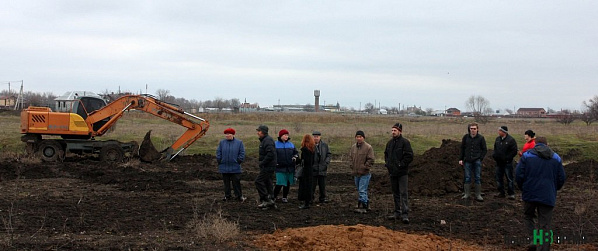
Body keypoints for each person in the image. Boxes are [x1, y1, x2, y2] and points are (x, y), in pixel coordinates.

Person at [516, 137, 566, 251]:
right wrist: (554, 189)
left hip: (530, 193)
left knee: (529, 216)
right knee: (545, 223)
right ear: (547, 145)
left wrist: (523, 188)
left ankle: (533, 240)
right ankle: (544, 248)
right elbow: (561, 177)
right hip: (548, 194)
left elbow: (518, 174)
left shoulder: (527, 156)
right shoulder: (556, 158)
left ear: (536, 144)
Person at [384, 123, 414, 223]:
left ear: (400, 131)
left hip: (402, 173)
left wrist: (401, 165)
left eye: (395, 130)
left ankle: (405, 214)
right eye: (392, 130)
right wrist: (388, 164)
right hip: (392, 172)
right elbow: (386, 155)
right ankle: (397, 212)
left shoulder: (405, 143)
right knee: (395, 193)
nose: (393, 132)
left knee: (403, 193)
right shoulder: (389, 143)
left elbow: (409, 156)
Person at [459, 122, 487, 202]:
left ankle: (478, 194)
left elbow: (484, 149)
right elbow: (462, 148)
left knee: (477, 177)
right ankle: (467, 194)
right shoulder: (465, 137)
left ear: (477, 129)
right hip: (467, 161)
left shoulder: (481, 138)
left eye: (474, 129)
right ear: (469, 129)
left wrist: (480, 158)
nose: (473, 130)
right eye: (471, 129)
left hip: (477, 161)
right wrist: (461, 159)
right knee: (467, 177)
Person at [216, 127, 246, 202]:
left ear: (232, 134)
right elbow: (218, 152)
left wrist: (238, 161)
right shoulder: (222, 143)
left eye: (228, 134)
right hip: (224, 166)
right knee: (226, 183)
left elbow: (242, 153)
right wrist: (220, 160)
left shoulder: (239, 143)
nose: (227, 135)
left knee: (236, 182)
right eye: (226, 134)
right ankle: (227, 196)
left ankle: (239, 196)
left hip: (235, 167)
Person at [349, 130, 375, 213]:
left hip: (364, 173)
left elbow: (371, 159)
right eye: (357, 137)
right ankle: (366, 204)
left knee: (362, 190)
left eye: (360, 137)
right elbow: (350, 158)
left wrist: (365, 167)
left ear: (363, 138)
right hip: (356, 173)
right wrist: (352, 166)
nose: (359, 138)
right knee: (361, 190)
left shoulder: (368, 147)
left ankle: (364, 206)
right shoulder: (353, 147)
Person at [492, 126, 518, 200]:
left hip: (507, 163)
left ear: (503, 132)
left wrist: (507, 159)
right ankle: (501, 192)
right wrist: (495, 156)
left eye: (499, 130)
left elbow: (514, 151)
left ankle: (511, 193)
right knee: (499, 178)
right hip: (498, 163)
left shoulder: (511, 140)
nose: (498, 132)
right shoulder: (497, 139)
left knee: (509, 178)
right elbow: (495, 149)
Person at [255, 125, 277, 209]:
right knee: (268, 183)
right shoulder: (265, 140)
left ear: (263, 132)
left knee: (258, 181)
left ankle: (266, 199)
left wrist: (262, 163)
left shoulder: (267, 141)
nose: (258, 133)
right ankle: (271, 202)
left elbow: (270, 154)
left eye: (259, 131)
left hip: (268, 166)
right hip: (268, 166)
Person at [273, 129, 299, 203]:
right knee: (280, 182)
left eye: (287, 135)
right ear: (280, 136)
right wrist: (275, 162)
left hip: (289, 167)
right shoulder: (275, 144)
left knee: (287, 183)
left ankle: (284, 197)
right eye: (285, 135)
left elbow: (296, 153)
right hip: (280, 167)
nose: (286, 136)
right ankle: (274, 196)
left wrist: (295, 157)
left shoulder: (291, 144)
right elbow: (273, 155)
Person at [311, 131, 331, 204]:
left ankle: (322, 198)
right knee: (312, 185)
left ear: (320, 137)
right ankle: (311, 198)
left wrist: (326, 162)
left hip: (322, 168)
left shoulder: (324, 145)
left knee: (322, 186)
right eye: (314, 136)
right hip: (313, 169)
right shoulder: (310, 145)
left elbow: (329, 154)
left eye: (317, 136)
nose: (316, 138)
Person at [297, 134, 315, 209]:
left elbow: (305, 161)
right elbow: (312, 161)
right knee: (309, 186)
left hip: (305, 170)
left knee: (305, 186)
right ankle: (308, 201)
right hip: (310, 170)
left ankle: (306, 203)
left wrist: (298, 160)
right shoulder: (312, 149)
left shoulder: (304, 150)